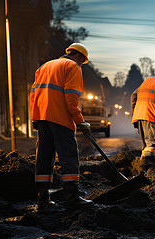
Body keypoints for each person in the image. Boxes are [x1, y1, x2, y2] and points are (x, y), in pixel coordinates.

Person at [30, 43, 93, 211]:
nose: (81, 64)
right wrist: (80, 121)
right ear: (79, 57)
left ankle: (42, 200)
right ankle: (72, 199)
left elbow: (33, 95)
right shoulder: (73, 67)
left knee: (44, 157)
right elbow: (71, 98)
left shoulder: (44, 66)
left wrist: (35, 118)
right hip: (60, 119)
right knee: (69, 156)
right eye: (82, 61)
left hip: (43, 118)